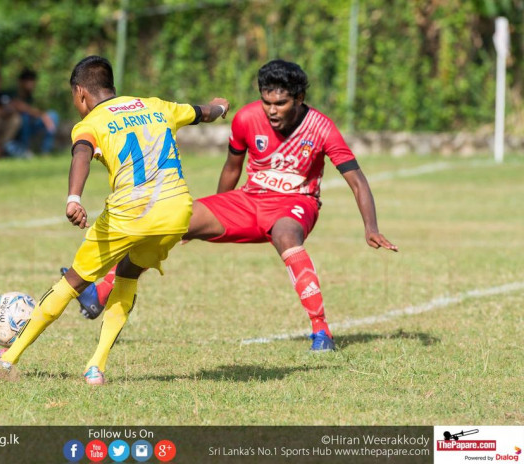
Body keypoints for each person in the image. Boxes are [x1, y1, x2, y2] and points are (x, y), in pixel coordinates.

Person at [73, 59, 398, 352]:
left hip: (296, 204)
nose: (272, 110)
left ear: (298, 99)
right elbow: (232, 168)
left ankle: (321, 332)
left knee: (286, 236)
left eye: (281, 103)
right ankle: (100, 291)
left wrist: (371, 227)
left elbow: (356, 179)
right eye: (267, 101)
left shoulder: (322, 128)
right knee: (170, 220)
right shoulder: (246, 118)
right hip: (249, 200)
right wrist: (210, 211)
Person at [0, 55, 229, 385]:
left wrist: (74, 197)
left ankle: (8, 358)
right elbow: (202, 113)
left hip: (129, 212)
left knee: (72, 283)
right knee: (128, 274)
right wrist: (219, 106)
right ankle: (96, 367)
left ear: (80, 93)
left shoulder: (92, 123)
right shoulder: (155, 105)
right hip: (177, 212)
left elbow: (82, 154)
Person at [6, 68, 59, 155]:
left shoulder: (30, 96)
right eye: (29, 81)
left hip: (31, 126)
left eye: (33, 81)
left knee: (53, 115)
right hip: (17, 131)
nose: (32, 84)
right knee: (25, 117)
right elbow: (20, 106)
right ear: (21, 82)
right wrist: (42, 115)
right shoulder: (12, 93)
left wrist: (44, 116)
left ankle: (46, 151)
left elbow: (33, 110)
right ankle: (25, 149)